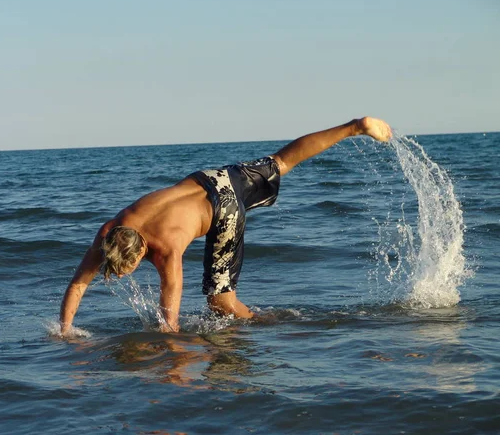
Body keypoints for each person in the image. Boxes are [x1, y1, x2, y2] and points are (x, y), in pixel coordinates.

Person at [60, 117, 392, 335]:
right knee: (282, 161)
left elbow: (170, 319)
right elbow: (78, 284)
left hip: (225, 211)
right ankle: (355, 127)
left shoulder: (166, 251)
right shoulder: (109, 234)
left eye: (125, 267)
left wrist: (167, 351)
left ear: (141, 251)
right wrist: (66, 331)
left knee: (220, 303)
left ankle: (271, 325)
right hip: (211, 178)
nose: (120, 273)